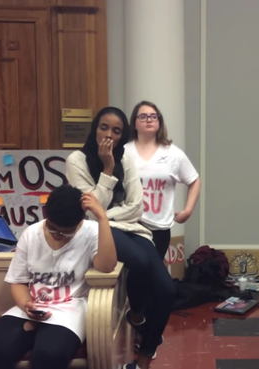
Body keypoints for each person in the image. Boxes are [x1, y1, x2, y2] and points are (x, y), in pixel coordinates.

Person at [65, 106, 176, 369]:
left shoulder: (126, 158)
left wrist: (106, 214)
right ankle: (136, 315)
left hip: (134, 228)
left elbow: (137, 207)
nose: (109, 135)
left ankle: (144, 359)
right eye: (104, 127)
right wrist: (107, 168)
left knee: (168, 291)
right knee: (139, 262)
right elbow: (90, 213)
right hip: (97, 232)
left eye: (116, 131)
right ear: (94, 129)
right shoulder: (76, 161)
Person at [0, 186, 118, 369]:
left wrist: (102, 218)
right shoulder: (31, 233)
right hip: (33, 305)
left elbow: (107, 266)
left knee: (49, 355)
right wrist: (25, 303)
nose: (58, 236)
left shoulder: (91, 231)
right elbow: (18, 282)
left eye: (66, 232)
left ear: (80, 222)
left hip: (70, 307)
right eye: (53, 229)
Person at [124, 100, 200, 260]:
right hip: (131, 224)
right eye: (143, 117)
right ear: (134, 123)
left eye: (153, 116)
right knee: (138, 272)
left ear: (159, 122)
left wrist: (188, 210)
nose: (149, 120)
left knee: (153, 272)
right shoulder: (124, 152)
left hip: (160, 227)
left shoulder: (173, 153)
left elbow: (194, 180)